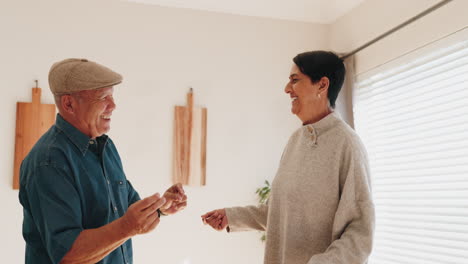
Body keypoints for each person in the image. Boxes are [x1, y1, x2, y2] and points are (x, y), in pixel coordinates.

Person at [201, 51, 375, 264]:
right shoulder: (295, 141)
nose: (286, 89)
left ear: (322, 85)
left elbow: (360, 233)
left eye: (295, 80)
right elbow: (282, 212)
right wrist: (233, 217)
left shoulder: (347, 145)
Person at [18, 58, 187, 264]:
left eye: (112, 96)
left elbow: (126, 208)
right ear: (69, 104)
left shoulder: (105, 147)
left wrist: (161, 207)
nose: (113, 105)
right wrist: (127, 226)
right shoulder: (49, 162)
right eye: (103, 97)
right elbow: (68, 255)